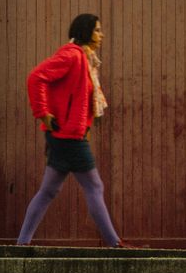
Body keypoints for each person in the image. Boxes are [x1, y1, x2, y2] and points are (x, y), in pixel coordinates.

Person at [16, 13, 132, 249]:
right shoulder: (71, 56)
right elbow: (35, 77)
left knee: (48, 191)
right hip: (67, 135)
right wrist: (43, 113)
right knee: (94, 186)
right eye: (97, 30)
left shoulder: (87, 61)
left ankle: (22, 243)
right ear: (86, 31)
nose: (101, 35)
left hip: (66, 135)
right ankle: (114, 244)